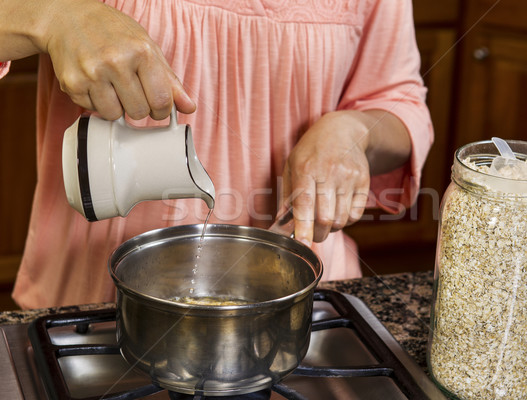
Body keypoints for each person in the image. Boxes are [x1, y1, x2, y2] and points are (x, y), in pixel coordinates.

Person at [0, 0, 433, 309]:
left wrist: (355, 132)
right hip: (91, 300)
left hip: (302, 298)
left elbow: (400, 99)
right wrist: (54, 15)